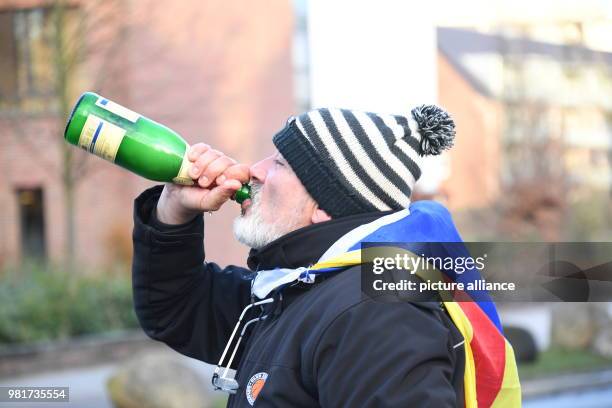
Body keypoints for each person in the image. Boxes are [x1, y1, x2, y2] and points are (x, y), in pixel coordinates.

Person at [132, 106, 520, 407]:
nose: (255, 171)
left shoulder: (374, 312)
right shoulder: (303, 287)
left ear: (324, 204)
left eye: (280, 163)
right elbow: (177, 310)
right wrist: (174, 211)